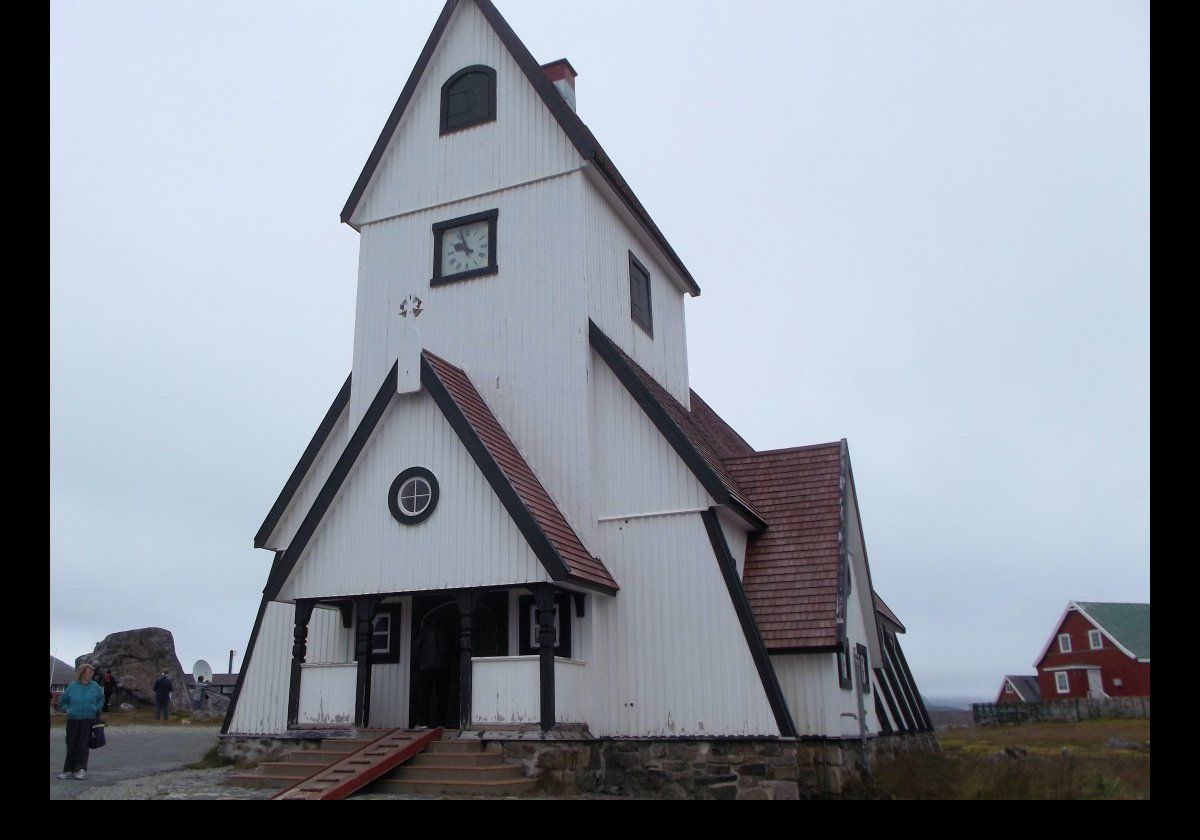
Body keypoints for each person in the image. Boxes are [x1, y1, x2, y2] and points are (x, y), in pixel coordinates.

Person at [56, 663, 104, 780]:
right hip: (73, 719)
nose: (92, 674)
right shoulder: (72, 686)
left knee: (83, 745)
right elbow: (62, 701)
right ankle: (68, 770)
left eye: (92, 672)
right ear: (83, 673)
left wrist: (96, 708)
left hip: (88, 719)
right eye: (89, 672)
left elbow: (101, 699)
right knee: (71, 743)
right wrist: (67, 710)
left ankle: (80, 769)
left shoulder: (95, 686)